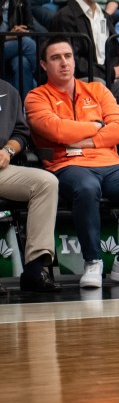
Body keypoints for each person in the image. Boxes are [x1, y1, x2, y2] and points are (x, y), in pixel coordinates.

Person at [25, 36, 119, 288]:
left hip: (111, 164)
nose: (64, 63)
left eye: (68, 56)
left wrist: (87, 141)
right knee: (87, 187)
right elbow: (57, 131)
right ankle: (93, 261)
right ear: (43, 65)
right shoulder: (36, 97)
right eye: (56, 58)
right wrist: (95, 126)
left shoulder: (97, 90)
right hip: (67, 167)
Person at [0, 76, 59, 291]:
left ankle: (34, 271)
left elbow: (20, 133)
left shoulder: (7, 90)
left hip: (1, 169)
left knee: (46, 182)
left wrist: (7, 151)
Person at [0, 0, 35, 91]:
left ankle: (23, 111)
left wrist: (23, 31)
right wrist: (7, 36)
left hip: (12, 47)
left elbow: (31, 28)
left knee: (21, 62)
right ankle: (46, 79)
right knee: (27, 44)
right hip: (6, 43)